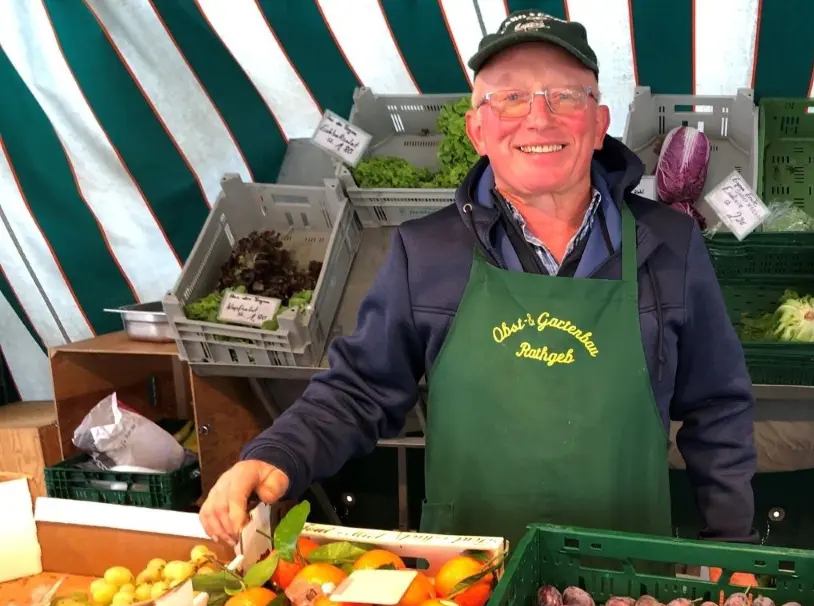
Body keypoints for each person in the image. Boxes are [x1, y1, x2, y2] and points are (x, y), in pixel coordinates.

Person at [199, 10, 757, 555]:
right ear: (477, 131)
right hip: (469, 577)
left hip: (626, 580)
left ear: (598, 123)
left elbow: (717, 407)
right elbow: (360, 388)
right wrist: (276, 454)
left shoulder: (671, 246)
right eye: (510, 97)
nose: (538, 119)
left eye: (565, 96)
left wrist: (731, 544)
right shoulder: (424, 252)